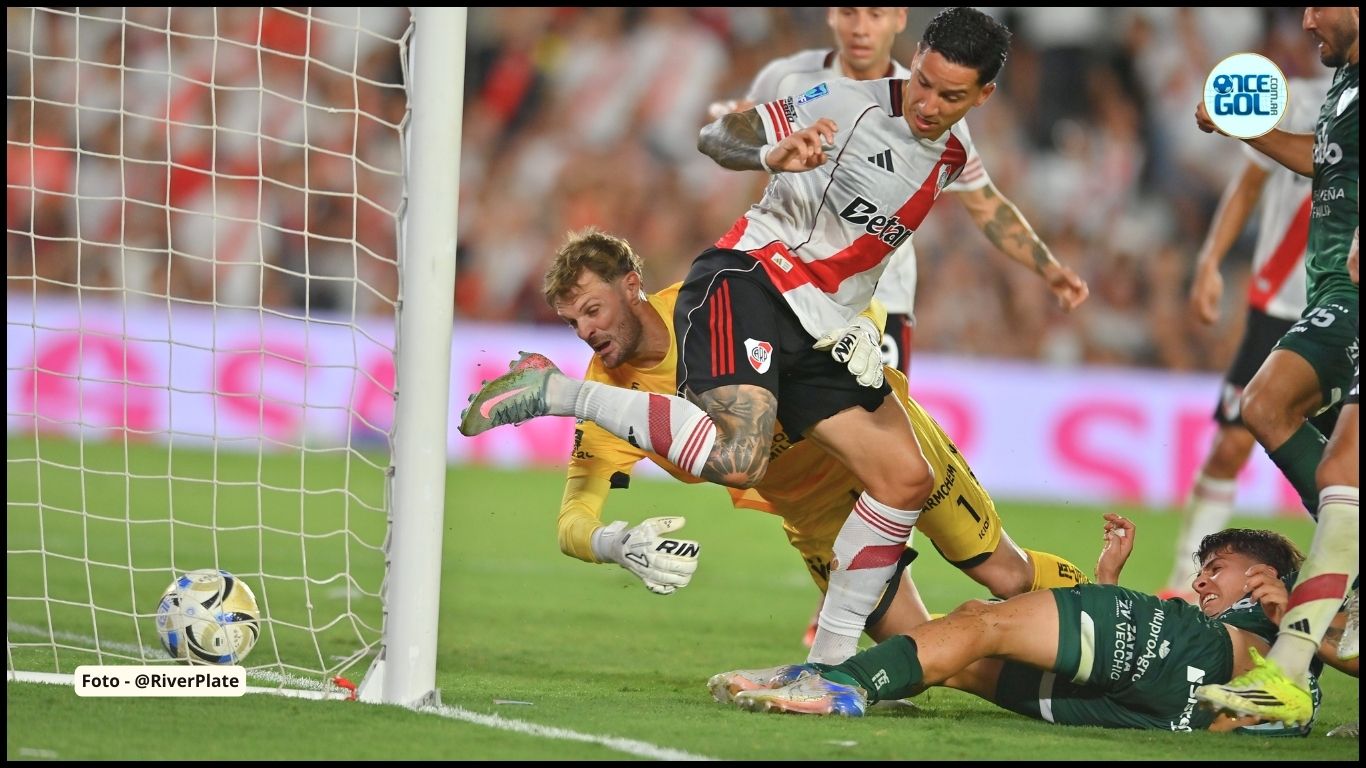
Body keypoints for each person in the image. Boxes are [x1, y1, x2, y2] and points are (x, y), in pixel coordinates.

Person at [460, 7, 1088, 667]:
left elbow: (965, 221)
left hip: (817, 334)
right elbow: (720, 133)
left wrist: (1045, 269)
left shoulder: (954, 153)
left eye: (949, 95)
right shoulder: (843, 102)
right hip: (755, 282)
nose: (927, 104)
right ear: (915, 59)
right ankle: (557, 393)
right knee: (742, 458)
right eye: (923, 82)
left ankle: (837, 668)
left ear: (983, 96)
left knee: (921, 493)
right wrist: (768, 153)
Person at [542, 228, 1089, 643]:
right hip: (816, 513)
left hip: (878, 442)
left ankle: (1115, 614)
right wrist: (615, 543)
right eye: (573, 323)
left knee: (1007, 576)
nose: (587, 331)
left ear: (631, 286)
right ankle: (1018, 652)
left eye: (592, 310)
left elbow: (834, 297)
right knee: (918, 649)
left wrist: (867, 328)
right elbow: (573, 520)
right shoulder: (608, 399)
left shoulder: (716, 298)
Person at [711, 514, 1356, 735]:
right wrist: (1107, 583)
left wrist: (1300, 617)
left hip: (1191, 661)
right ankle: (850, 668)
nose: (1202, 581)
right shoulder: (1298, 656)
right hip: (1174, 712)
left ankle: (836, 682)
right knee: (965, 658)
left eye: (1217, 568)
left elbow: (1308, 653)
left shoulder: (1294, 604)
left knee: (985, 622)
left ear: (1261, 571)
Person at [1191, 6, 1359, 725]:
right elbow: (1328, 164)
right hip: (1334, 293)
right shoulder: (1345, 81)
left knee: (1331, 462)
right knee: (1278, 416)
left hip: (1351, 293)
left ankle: (1288, 674)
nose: (1307, 18)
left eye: (1321, 5)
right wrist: (1248, 129)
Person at [1160, 73, 1332, 601]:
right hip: (1279, 307)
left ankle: (1334, 586)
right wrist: (1210, 260)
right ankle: (1183, 582)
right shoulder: (1299, 98)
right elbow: (1249, 185)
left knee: (1338, 465)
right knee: (1231, 445)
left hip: (1340, 309)